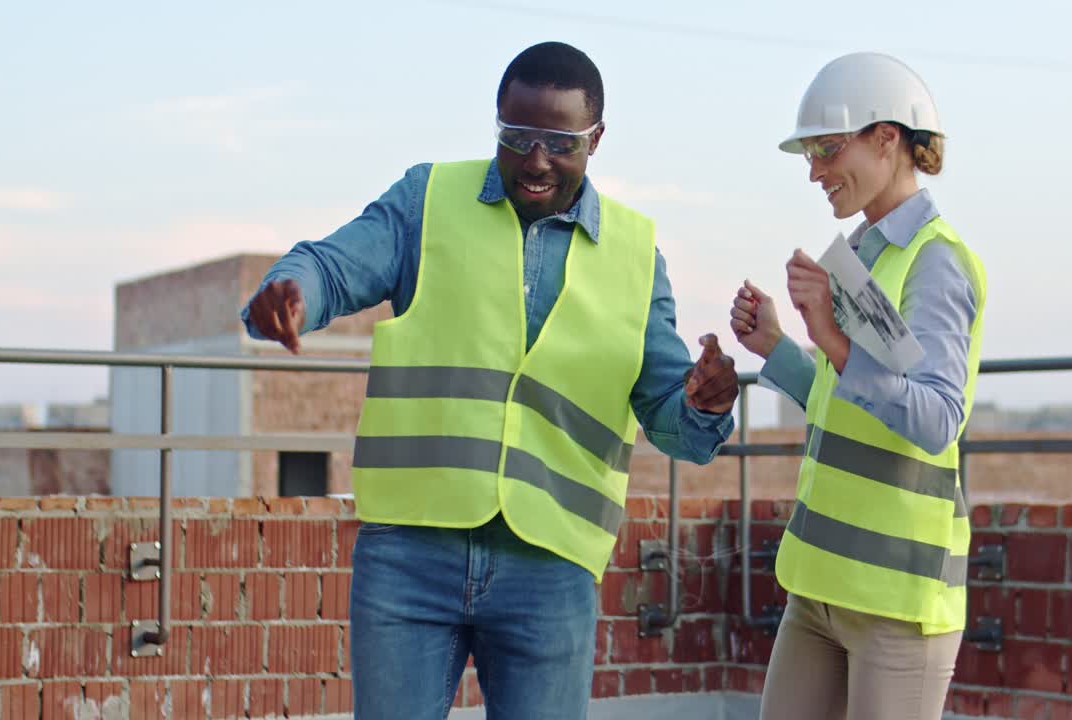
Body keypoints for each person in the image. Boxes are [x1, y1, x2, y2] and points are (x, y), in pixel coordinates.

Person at [242, 41, 739, 720]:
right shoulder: (428, 200)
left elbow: (668, 413)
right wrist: (288, 292)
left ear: (596, 138)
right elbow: (329, 265)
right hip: (410, 555)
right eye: (517, 136)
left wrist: (702, 404)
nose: (536, 159)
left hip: (551, 568)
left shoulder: (634, 255)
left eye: (560, 142)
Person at [730, 52, 987, 720]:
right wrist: (777, 347)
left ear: (887, 138)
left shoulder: (937, 264)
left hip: (897, 599)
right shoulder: (865, 252)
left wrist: (834, 338)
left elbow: (936, 420)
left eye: (826, 148)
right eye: (810, 154)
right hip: (818, 583)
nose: (814, 171)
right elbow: (835, 397)